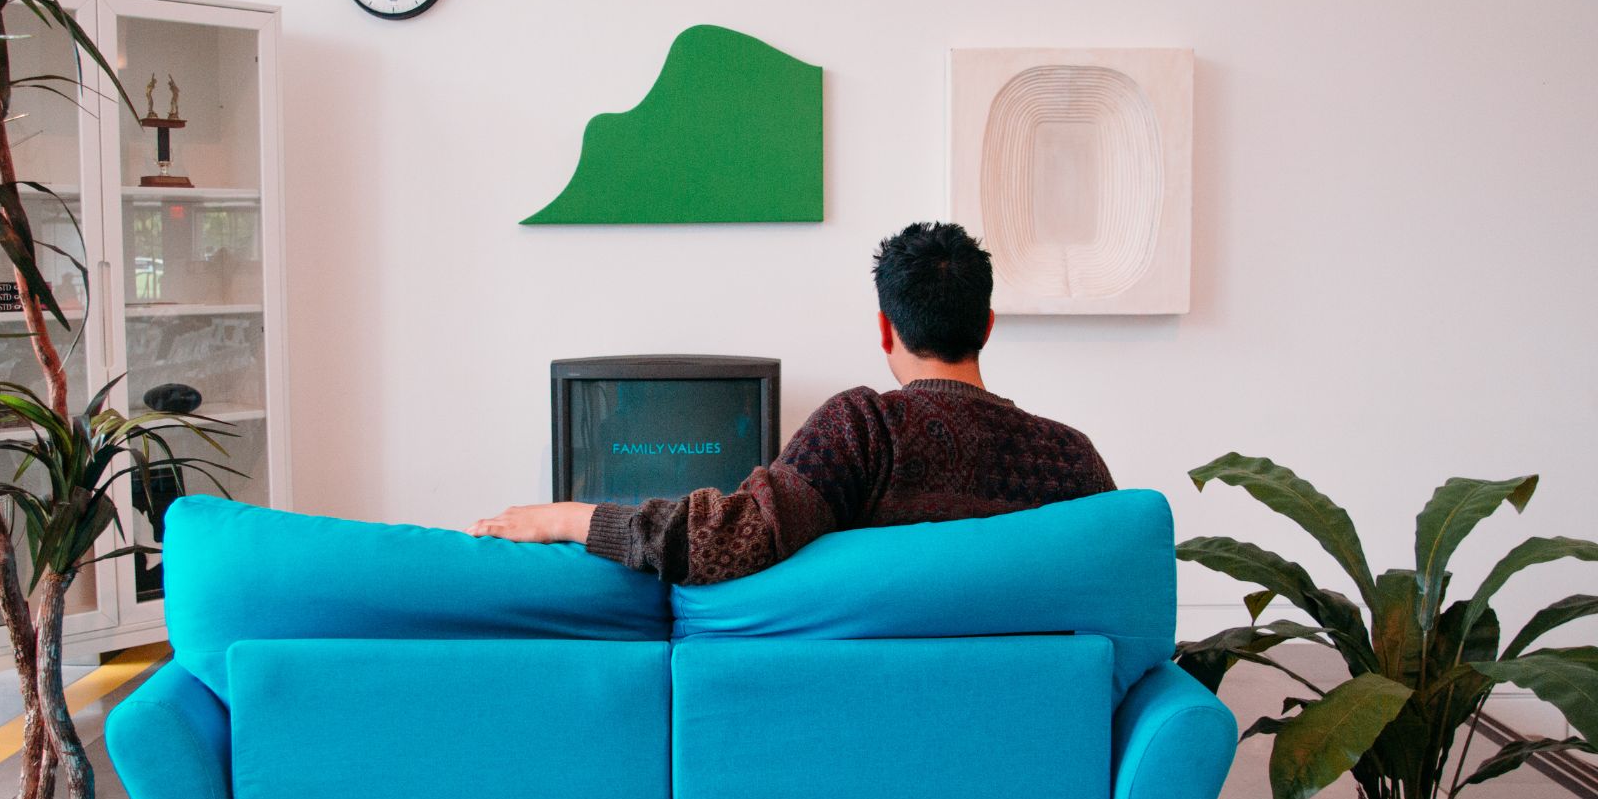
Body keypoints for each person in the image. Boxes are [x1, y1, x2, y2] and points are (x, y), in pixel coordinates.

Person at [466, 222, 1116, 584]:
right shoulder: (1071, 459)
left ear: (885, 329)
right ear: (988, 326)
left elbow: (722, 542)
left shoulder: (864, 429)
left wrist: (569, 518)